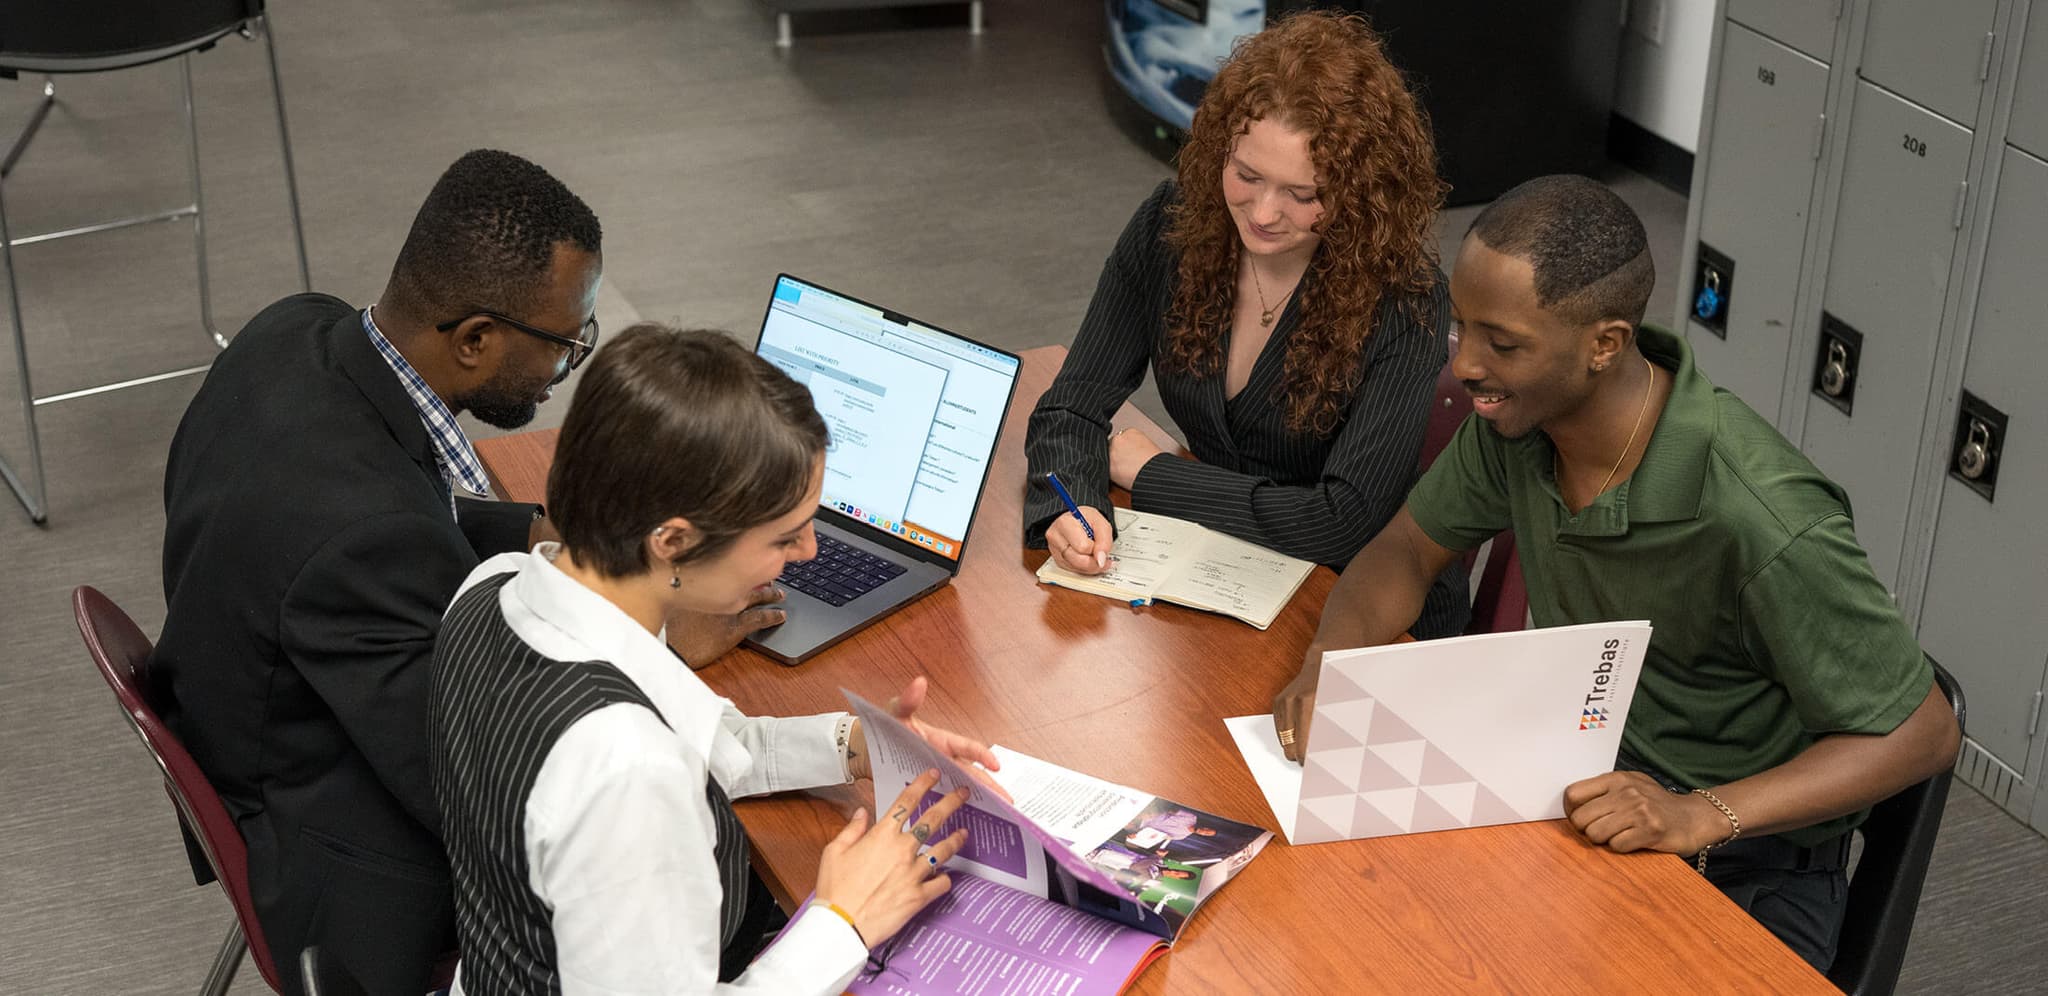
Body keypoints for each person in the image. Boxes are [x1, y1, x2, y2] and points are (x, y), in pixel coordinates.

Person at [1270, 174, 1961, 968]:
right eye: (1461, 329)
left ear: (1605, 343)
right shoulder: (1522, 426)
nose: (1464, 365)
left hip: (1739, 872)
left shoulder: (1761, 516)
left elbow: (1924, 729)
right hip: (1574, 797)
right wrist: (1334, 662)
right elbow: (1405, 550)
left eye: (1503, 342)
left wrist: (1698, 814)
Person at [152, 150, 780, 994]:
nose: (567, 371)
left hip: (258, 716)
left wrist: (531, 530)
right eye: (565, 342)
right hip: (340, 856)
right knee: (737, 880)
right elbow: (481, 780)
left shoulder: (296, 329)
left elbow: (397, 507)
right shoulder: (364, 542)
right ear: (478, 339)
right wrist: (648, 635)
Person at [431, 324, 1004, 994]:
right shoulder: (628, 769)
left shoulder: (495, 586)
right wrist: (845, 920)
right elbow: (641, 769)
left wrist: (854, 745)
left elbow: (701, 740)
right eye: (785, 536)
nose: (810, 552)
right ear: (673, 540)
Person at [1023, 10, 1468, 637]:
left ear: (1362, 192)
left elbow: (1343, 521)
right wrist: (1071, 508)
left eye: (1303, 194)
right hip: (1223, 573)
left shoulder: (1405, 300)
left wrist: (1154, 474)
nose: (1262, 213)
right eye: (1247, 174)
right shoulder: (1169, 229)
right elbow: (1071, 408)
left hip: (1365, 606)